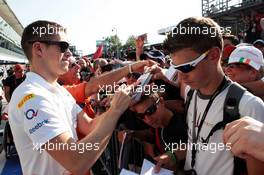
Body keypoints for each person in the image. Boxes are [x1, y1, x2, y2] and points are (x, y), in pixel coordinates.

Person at [7, 20, 153, 175]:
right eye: (63, 46)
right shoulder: (31, 97)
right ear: (38, 49)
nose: (69, 54)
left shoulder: (58, 90)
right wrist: (115, 111)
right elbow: (76, 161)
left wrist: (115, 103)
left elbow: (90, 126)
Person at [162, 16, 264, 175]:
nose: (181, 77)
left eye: (187, 67)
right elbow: (198, 142)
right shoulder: (190, 92)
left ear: (214, 55)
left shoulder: (249, 106)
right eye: (176, 68)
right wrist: (173, 156)